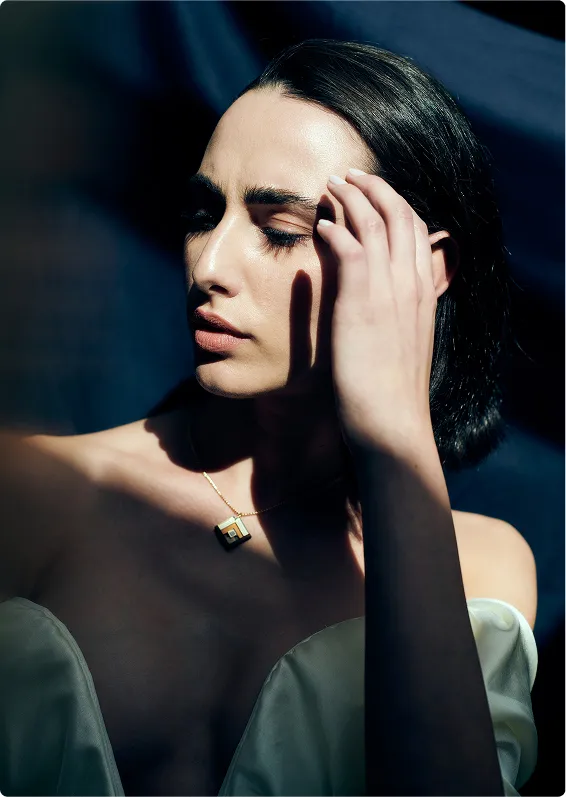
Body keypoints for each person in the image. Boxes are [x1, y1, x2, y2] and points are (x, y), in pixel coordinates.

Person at [0, 39, 538, 796]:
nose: (208, 265)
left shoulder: (480, 566)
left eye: (279, 228)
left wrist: (394, 437)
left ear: (424, 267)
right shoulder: (38, 489)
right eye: (201, 212)